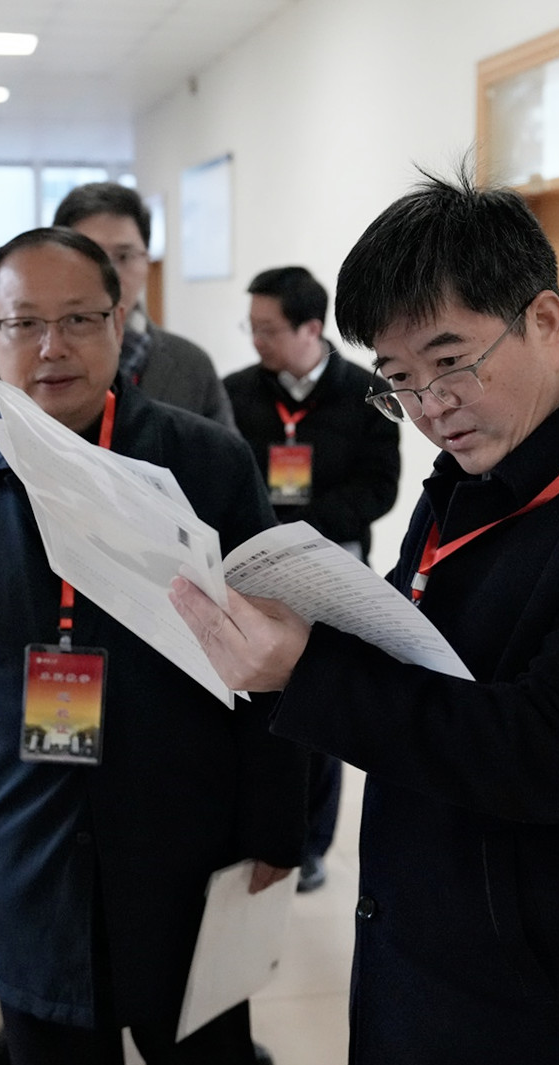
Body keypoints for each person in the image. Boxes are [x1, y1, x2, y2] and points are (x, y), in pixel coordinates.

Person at [169, 171, 559, 1065]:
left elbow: (549, 753)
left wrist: (308, 671)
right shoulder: (479, 460)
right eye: (397, 379)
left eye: (449, 361)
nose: (430, 404)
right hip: (456, 938)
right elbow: (421, 647)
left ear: (544, 318)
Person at [0, 226, 306, 1065]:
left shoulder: (206, 463)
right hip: (25, 850)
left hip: (187, 843)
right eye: (25, 322)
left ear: (119, 323)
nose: (52, 347)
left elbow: (271, 663)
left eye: (78, 319)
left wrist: (278, 825)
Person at [222, 265, 400, 894]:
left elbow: (380, 486)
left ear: (310, 328)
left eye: (268, 329)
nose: (257, 341)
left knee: (321, 705)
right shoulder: (236, 392)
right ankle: (256, 830)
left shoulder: (368, 392)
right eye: (251, 327)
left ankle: (313, 843)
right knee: (256, 704)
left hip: (333, 571)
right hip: (252, 570)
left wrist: (304, 529)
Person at [0, 181, 231, 450]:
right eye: (91, 254)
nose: (109, 272)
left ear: (146, 261)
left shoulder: (189, 363)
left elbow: (222, 466)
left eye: (124, 256)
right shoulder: (6, 354)